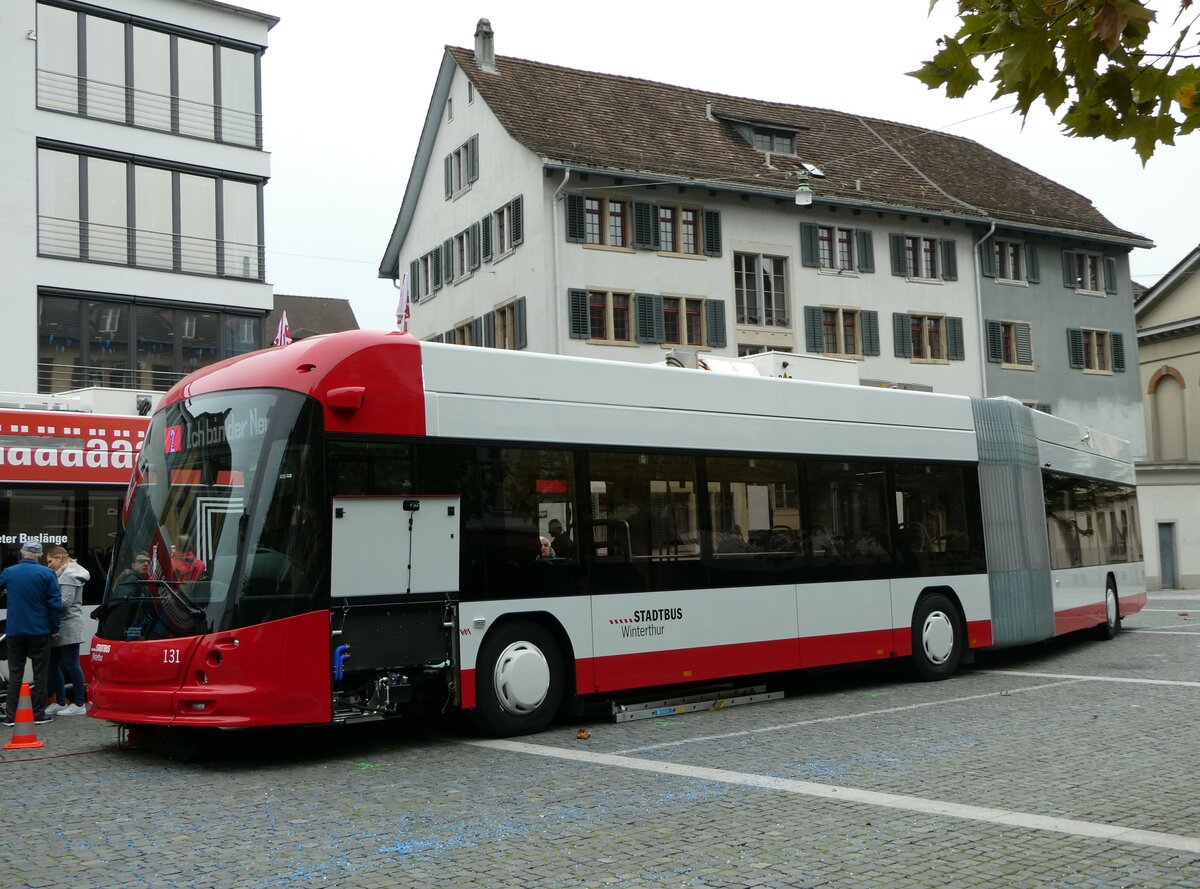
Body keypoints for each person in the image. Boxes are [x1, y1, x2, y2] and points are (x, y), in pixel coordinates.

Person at [0, 541, 62, 726]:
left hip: (15, 630)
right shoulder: (47, 573)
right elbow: (54, 604)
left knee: (15, 673)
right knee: (40, 673)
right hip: (40, 630)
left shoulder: (9, 572)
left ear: (22, 553)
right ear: (40, 555)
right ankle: (38, 714)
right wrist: (54, 628)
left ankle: (11, 717)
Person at [45, 545, 89, 716]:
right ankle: (60, 702)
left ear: (60, 559)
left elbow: (64, 603)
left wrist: (44, 602)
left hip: (69, 626)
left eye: (50, 561)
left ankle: (79, 704)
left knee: (71, 664)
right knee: (53, 664)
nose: (49, 565)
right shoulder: (63, 574)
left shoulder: (70, 576)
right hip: (61, 625)